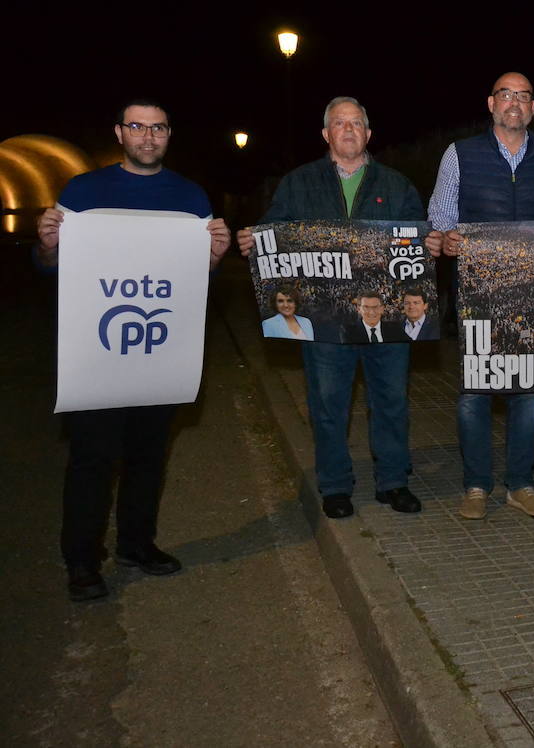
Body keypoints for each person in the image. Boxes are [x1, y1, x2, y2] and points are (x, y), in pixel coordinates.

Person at [36, 99, 231, 602]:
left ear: (170, 134)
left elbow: (197, 279)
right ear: (120, 132)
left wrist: (214, 256)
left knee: (148, 456)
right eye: (138, 127)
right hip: (96, 355)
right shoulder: (83, 191)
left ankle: (136, 544)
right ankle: (81, 561)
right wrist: (49, 245)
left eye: (158, 128)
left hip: (158, 351)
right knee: (92, 459)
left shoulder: (190, 197)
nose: (148, 137)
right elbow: (51, 268)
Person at [236, 96, 440, 520]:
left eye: (356, 124)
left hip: (386, 319)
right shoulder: (298, 183)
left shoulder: (396, 184)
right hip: (324, 321)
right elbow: (275, 234)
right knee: (328, 404)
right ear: (326, 134)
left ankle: (393, 482)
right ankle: (334, 486)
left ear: (368, 134)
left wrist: (431, 245)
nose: (348, 130)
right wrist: (254, 244)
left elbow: (419, 243)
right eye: (339, 123)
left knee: (391, 401)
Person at [433, 72, 534, 521]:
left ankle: (521, 485)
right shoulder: (459, 155)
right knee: (474, 392)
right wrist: (448, 240)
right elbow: (440, 217)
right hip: (478, 295)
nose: (514, 103)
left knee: (528, 393)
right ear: (491, 103)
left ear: (533, 108)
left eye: (523, 96)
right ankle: (476, 485)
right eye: (506, 95)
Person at [341, 292, 407, 343]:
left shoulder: (395, 328)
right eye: (366, 307)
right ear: (359, 309)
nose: (372, 312)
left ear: (382, 309)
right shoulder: (349, 331)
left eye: (375, 307)